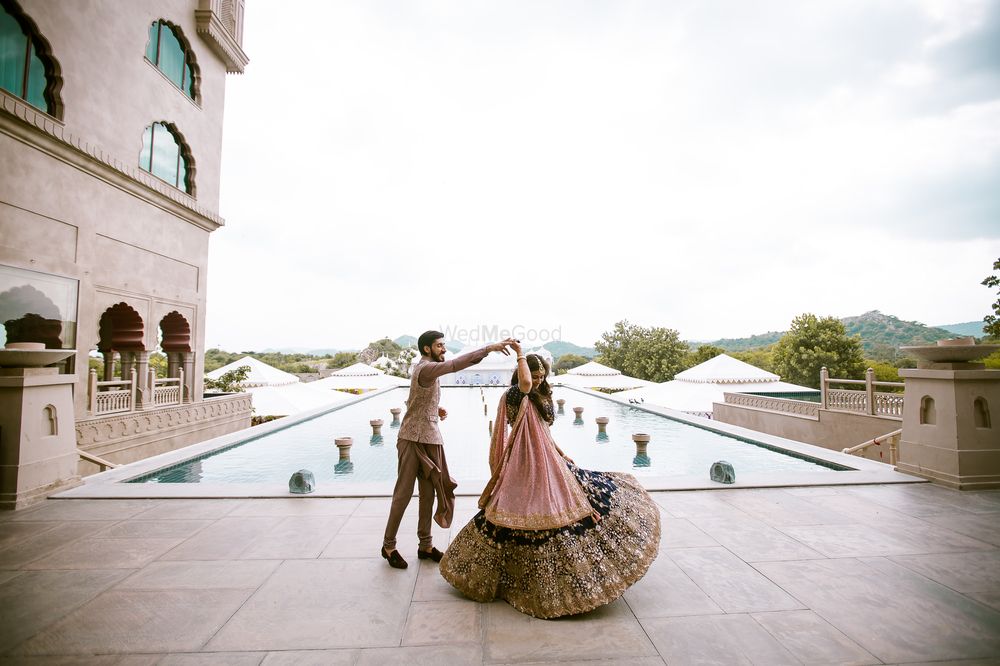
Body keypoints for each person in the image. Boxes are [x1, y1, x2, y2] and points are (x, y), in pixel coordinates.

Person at [439, 345, 661, 618]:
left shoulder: (539, 394)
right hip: (524, 460)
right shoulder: (515, 394)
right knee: (517, 509)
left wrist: (560, 452)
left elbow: (542, 431)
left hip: (546, 457)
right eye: (535, 374)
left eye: (543, 374)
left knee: (579, 495)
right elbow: (524, 384)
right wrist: (520, 353)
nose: (540, 380)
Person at [381, 331, 515, 569]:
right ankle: (388, 546)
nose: (444, 349)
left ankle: (425, 545)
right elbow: (455, 365)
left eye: (444, 345)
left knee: (429, 494)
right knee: (402, 494)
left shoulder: (428, 370)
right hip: (412, 439)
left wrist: (435, 409)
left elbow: (414, 399)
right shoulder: (425, 368)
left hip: (430, 438)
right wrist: (489, 348)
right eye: (439, 346)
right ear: (426, 349)